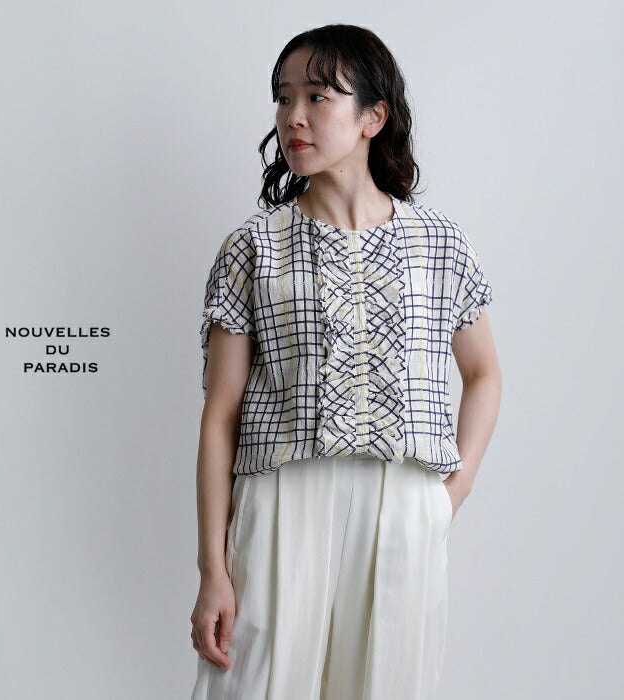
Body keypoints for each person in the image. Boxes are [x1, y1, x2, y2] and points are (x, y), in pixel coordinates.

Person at [189, 23, 502, 700]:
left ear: (372, 117)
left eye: (317, 96)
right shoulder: (252, 249)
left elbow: (484, 375)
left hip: (405, 506)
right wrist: (213, 568)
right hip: (281, 501)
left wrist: (452, 492)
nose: (292, 116)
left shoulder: (441, 244)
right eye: (282, 98)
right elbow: (220, 416)